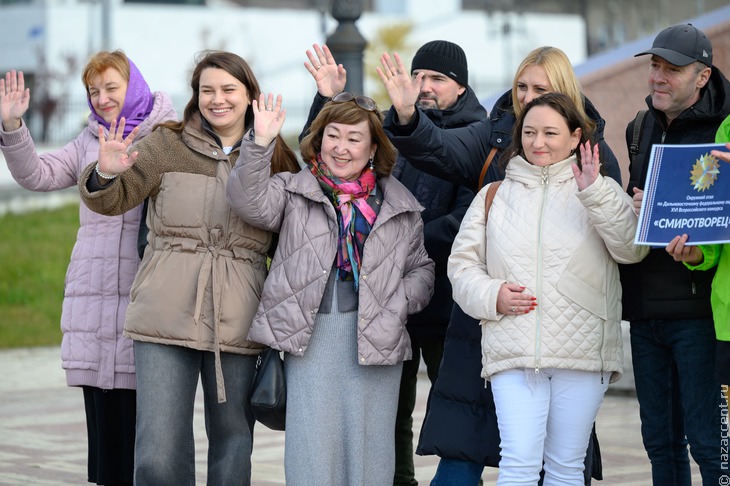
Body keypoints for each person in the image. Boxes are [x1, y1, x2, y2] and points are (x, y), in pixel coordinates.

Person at [376, 46, 619, 484]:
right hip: (490, 326)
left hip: (570, 337)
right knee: (486, 454)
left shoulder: (594, 157)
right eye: (521, 87)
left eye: (540, 89)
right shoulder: (495, 135)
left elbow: (618, 242)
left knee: (560, 462)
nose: (527, 98)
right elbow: (441, 150)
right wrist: (408, 115)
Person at [77, 50, 300, 485]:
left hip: (237, 317)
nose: (217, 99)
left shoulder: (274, 156)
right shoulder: (165, 144)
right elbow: (114, 199)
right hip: (164, 311)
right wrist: (104, 175)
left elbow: (292, 237)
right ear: (196, 96)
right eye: (207, 90)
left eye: (228, 90)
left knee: (233, 446)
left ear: (250, 95)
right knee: (157, 454)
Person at [226, 91, 435, 485]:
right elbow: (246, 200)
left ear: (373, 147)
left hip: (377, 340)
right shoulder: (295, 190)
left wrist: (398, 305)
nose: (341, 148)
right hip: (311, 340)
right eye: (332, 135)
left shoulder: (399, 205)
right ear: (318, 140)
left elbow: (422, 269)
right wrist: (260, 143)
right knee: (311, 456)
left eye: (354, 138)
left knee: (370, 458)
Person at [300, 41, 481, 486]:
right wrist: (326, 98)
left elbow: (469, 218)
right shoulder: (390, 129)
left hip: (448, 304)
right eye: (418, 76)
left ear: (460, 86)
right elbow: (326, 160)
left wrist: (399, 245)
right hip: (384, 304)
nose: (424, 86)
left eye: (436, 79)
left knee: (453, 414)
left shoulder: (475, 134)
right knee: (387, 413)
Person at [448, 92, 648, 485]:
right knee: (518, 463)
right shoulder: (495, 195)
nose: (538, 142)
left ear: (575, 138)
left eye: (550, 133)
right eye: (529, 132)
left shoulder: (600, 189)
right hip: (515, 351)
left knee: (566, 467)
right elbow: (462, 267)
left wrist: (595, 192)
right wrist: (493, 296)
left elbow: (632, 250)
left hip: (582, 354)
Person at [0, 51, 176, 486]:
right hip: (92, 300)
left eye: (111, 87)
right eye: (94, 91)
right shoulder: (87, 140)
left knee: (145, 433)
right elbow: (37, 175)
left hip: (145, 297)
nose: (102, 98)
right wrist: (12, 127)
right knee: (103, 435)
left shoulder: (165, 138)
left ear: (133, 84)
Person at [621, 23, 730, 484]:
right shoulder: (639, 127)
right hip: (646, 311)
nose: (659, 77)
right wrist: (631, 209)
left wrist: (697, 257)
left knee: (712, 444)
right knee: (660, 446)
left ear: (702, 76)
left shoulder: (725, 128)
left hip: (701, 312)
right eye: (654, 66)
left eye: (673, 69)